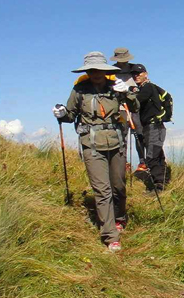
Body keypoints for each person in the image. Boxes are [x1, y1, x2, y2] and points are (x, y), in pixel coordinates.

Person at [53, 51, 139, 253]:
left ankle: (119, 217)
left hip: (117, 142)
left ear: (104, 70)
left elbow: (134, 106)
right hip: (91, 145)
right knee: (102, 190)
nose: (95, 73)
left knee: (118, 185)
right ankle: (110, 235)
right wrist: (62, 114)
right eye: (91, 70)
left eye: (99, 69)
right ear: (87, 71)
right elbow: (71, 114)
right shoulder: (79, 90)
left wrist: (127, 92)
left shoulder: (115, 86)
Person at [130, 63, 169, 192]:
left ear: (145, 74)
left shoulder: (148, 87)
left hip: (154, 127)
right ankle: (161, 183)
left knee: (152, 156)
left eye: (139, 73)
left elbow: (136, 102)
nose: (136, 76)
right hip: (154, 127)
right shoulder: (145, 88)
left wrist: (127, 95)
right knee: (157, 155)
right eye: (134, 74)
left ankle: (157, 186)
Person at [110, 47, 146, 170]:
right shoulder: (110, 71)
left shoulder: (134, 69)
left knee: (139, 134)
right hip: (120, 108)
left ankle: (143, 162)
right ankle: (123, 162)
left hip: (135, 106)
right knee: (122, 135)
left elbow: (143, 83)